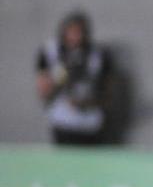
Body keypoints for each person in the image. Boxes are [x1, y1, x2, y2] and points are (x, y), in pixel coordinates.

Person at [35, 10, 112, 146]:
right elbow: (44, 91)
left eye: (79, 32)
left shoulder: (98, 55)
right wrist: (63, 75)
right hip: (63, 121)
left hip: (90, 122)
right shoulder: (52, 51)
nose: (75, 37)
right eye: (71, 32)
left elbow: (108, 93)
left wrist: (88, 101)